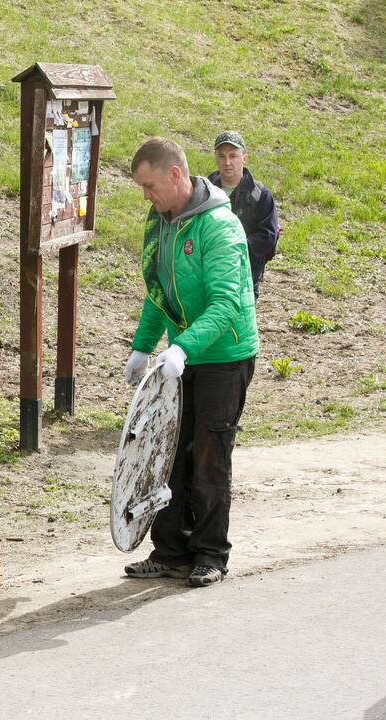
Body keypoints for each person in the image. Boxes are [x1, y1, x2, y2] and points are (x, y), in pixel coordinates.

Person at [122, 137, 259, 588]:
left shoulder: (220, 227)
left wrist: (182, 348)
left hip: (223, 356)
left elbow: (227, 304)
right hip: (181, 359)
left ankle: (211, 554)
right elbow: (158, 292)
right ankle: (170, 552)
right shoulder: (162, 222)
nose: (146, 195)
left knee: (208, 458)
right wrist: (144, 347)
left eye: (149, 185)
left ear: (176, 175)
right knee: (167, 455)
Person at [207, 131, 280, 299]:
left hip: (244, 279)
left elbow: (268, 237)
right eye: (221, 156)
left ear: (244, 158)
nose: (227, 162)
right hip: (206, 275)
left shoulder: (260, 194)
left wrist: (232, 246)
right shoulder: (204, 190)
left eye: (233, 156)